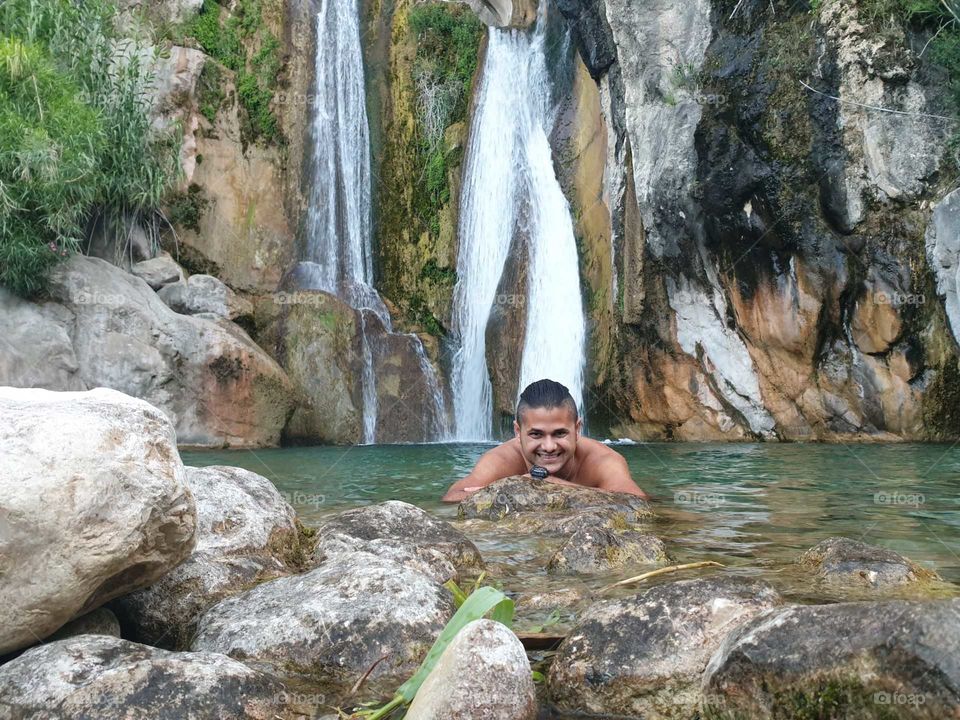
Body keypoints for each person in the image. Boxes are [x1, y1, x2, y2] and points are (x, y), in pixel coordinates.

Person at [442, 379, 650, 502]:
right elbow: (453, 497)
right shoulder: (502, 459)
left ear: (577, 429)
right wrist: (509, 487)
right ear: (517, 431)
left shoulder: (602, 460)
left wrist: (554, 486)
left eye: (560, 433)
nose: (549, 446)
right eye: (536, 434)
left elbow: (635, 500)